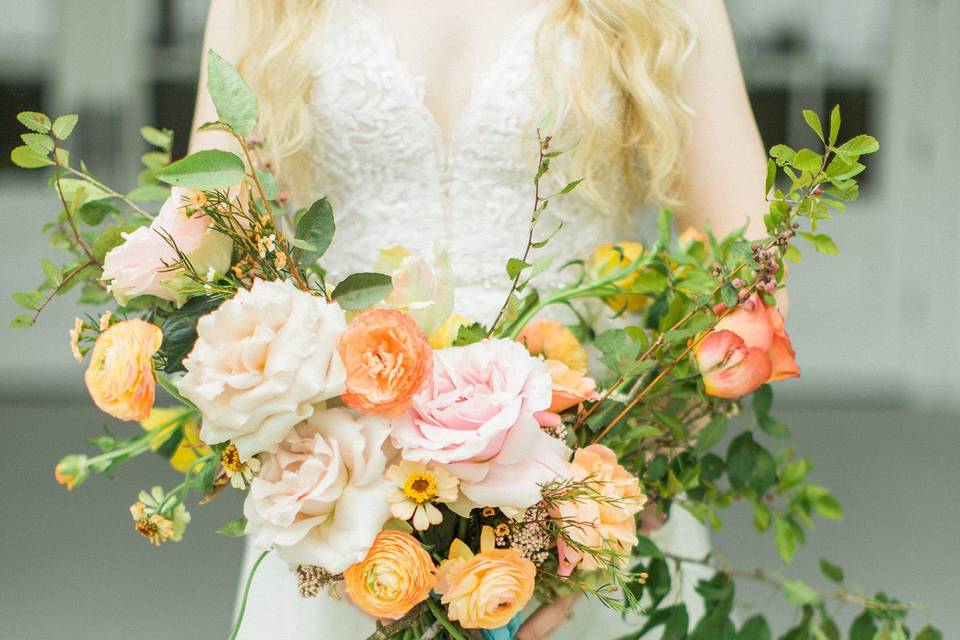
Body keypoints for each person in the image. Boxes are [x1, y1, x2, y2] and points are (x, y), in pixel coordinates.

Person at [189, 1, 770, 638]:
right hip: (341, 503)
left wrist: (594, 508)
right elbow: (208, 233)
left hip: (577, 480)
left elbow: (745, 274)